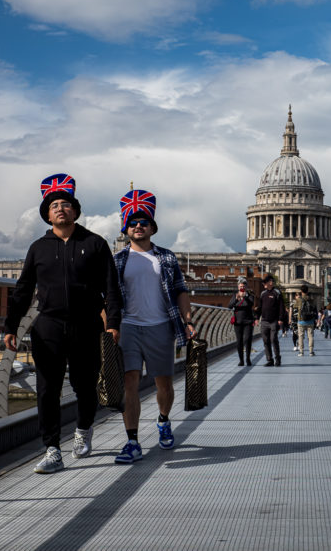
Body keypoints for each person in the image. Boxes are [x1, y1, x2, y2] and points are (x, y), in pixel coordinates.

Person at [4, 173, 121, 475]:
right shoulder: (38, 248)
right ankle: (52, 448)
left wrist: (113, 323)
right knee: (47, 389)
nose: (60, 208)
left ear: (75, 210)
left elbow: (111, 287)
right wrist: (10, 326)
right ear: (47, 214)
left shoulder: (94, 244)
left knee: (85, 386)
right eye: (54, 205)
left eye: (65, 204)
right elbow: (22, 289)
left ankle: (83, 429)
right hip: (49, 326)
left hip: (86, 325)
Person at [110, 189, 195, 464]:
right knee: (129, 383)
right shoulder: (117, 261)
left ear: (152, 227)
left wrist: (188, 320)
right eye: (133, 222)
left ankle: (163, 419)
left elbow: (181, 290)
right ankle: (132, 441)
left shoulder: (167, 258)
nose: (138, 226)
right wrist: (109, 326)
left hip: (161, 325)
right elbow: (107, 297)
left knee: (164, 384)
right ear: (126, 228)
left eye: (143, 222)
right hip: (129, 327)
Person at [256, 273, 285, 366]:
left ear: (270, 283)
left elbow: (281, 307)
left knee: (274, 339)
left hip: (274, 321)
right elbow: (260, 307)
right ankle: (269, 360)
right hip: (264, 320)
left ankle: (277, 359)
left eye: (265, 282)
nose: (264, 284)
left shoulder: (277, 293)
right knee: (266, 340)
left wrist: (280, 319)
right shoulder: (263, 294)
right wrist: (257, 318)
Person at [227, 279, 256, 366]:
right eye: (240, 286)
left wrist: (245, 296)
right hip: (238, 321)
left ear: (246, 287)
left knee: (247, 339)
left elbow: (251, 304)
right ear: (238, 287)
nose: (242, 288)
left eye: (243, 286)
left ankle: (248, 358)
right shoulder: (235, 295)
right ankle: (241, 360)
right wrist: (236, 299)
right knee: (239, 341)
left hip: (248, 321)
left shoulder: (250, 295)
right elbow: (229, 306)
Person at [292, 285, 317, 356]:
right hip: (310, 320)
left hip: (301, 320)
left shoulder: (299, 300)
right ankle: (311, 351)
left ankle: (301, 352)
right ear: (307, 291)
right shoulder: (311, 299)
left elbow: (294, 308)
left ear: (301, 291)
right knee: (311, 336)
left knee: (300, 336)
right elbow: (315, 309)